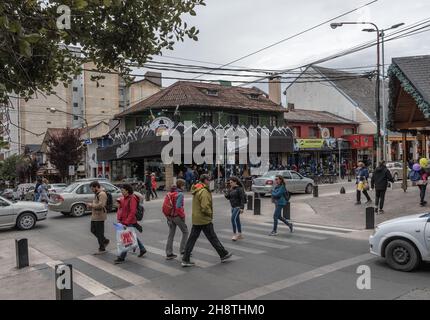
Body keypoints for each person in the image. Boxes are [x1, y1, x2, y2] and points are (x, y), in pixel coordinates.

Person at [182, 175, 232, 267]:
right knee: (212, 238)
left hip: (197, 219)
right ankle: (223, 254)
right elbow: (205, 207)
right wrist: (209, 214)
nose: (210, 181)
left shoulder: (197, 189)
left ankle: (185, 259)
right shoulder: (204, 191)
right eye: (209, 180)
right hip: (204, 219)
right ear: (205, 180)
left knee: (192, 239)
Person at [114, 184, 146, 264]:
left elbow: (132, 212)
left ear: (127, 190)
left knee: (126, 239)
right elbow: (123, 210)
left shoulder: (132, 198)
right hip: (124, 221)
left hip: (129, 221)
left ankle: (122, 257)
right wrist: (120, 220)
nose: (121, 192)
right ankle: (142, 249)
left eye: (122, 190)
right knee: (132, 237)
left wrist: (126, 222)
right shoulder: (124, 198)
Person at [164, 179, 189, 260]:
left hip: (170, 217)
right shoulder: (180, 194)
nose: (184, 186)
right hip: (177, 216)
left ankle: (169, 253)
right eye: (183, 185)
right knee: (185, 232)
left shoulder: (170, 193)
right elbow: (178, 207)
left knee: (171, 234)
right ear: (181, 185)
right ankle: (183, 250)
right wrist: (182, 216)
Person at [87, 181, 110, 254]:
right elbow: (96, 203)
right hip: (95, 215)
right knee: (93, 230)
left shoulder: (102, 194)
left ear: (96, 187)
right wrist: (92, 204)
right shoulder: (97, 193)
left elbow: (101, 205)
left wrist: (91, 205)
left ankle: (102, 248)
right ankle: (105, 240)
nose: (92, 190)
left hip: (100, 216)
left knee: (100, 232)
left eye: (92, 188)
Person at [224, 176, 247, 241]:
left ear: (235, 182)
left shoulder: (240, 189)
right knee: (237, 220)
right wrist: (226, 192)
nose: (230, 183)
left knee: (233, 219)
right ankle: (239, 234)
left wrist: (242, 208)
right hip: (233, 207)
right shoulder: (232, 189)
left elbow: (242, 198)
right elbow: (228, 197)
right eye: (230, 182)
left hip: (238, 207)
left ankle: (235, 234)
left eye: (231, 182)